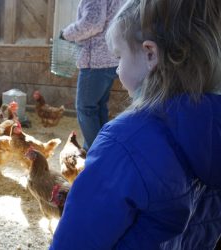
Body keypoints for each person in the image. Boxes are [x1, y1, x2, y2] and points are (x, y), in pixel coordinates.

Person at [51, 0, 221, 249]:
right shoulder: (212, 132)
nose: (117, 69)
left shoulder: (123, 143)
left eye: (119, 57)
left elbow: (76, 240)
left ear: (150, 54)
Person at [60, 0, 125, 150]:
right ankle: (104, 149)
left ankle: (96, 153)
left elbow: (93, 23)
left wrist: (66, 33)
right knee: (98, 107)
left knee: (86, 108)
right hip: (110, 57)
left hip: (95, 59)